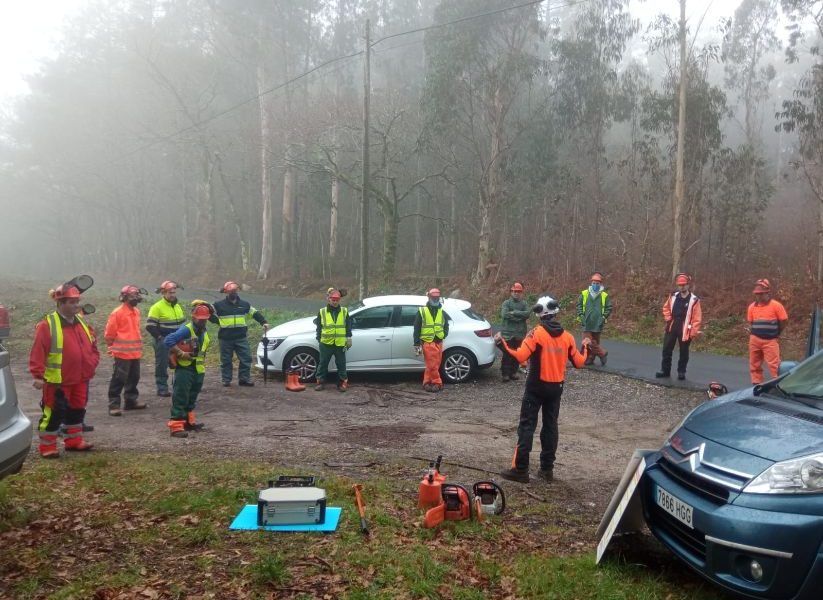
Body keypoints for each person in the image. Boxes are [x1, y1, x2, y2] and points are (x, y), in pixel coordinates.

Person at [494, 296, 589, 483]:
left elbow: (521, 355)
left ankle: (521, 470)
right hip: (556, 388)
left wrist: (501, 344)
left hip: (536, 387)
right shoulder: (568, 337)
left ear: (539, 314)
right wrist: (586, 347)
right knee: (550, 427)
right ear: (555, 312)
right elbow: (579, 362)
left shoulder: (536, 333)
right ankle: (547, 470)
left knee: (527, 426)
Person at [29, 283, 100, 458]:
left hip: (80, 378)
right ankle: (47, 447)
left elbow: (93, 344)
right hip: (57, 381)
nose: (76, 305)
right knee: (53, 413)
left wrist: (92, 362)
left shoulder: (81, 321)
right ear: (60, 303)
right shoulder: (47, 325)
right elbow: (38, 350)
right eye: (71, 302)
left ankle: (74, 441)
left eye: (77, 301)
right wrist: (37, 375)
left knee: (77, 410)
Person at [164, 302, 213, 438]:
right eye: (200, 319)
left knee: (191, 397)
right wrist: (180, 353)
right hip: (185, 369)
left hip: (198, 369)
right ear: (193, 317)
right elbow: (168, 340)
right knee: (181, 396)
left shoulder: (203, 330)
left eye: (204, 319)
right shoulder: (187, 329)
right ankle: (175, 427)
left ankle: (188, 422)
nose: (202, 321)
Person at [210, 281, 269, 387]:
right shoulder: (218, 305)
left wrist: (263, 322)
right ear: (226, 292)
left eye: (235, 291)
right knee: (226, 360)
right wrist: (217, 321)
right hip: (225, 337)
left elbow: (254, 313)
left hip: (241, 337)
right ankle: (226, 380)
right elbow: (207, 312)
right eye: (231, 291)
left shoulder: (244, 304)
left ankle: (244, 379)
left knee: (246, 358)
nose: (234, 293)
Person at [105, 285, 147, 416]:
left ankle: (130, 401)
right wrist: (113, 346)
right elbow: (109, 334)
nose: (136, 298)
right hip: (122, 353)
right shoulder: (117, 313)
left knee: (134, 377)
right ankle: (114, 404)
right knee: (119, 378)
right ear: (124, 297)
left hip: (134, 352)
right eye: (132, 295)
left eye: (136, 295)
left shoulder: (136, 312)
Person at [656, 273, 702, 381]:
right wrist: (668, 318)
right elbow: (666, 308)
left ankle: (681, 372)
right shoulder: (673, 296)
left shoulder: (694, 300)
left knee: (684, 352)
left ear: (688, 285)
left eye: (684, 285)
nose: (682, 287)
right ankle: (665, 371)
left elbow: (697, 318)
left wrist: (693, 332)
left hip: (685, 329)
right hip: (672, 325)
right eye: (680, 285)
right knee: (666, 349)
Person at [146, 280, 185, 397]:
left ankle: (179, 386)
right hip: (163, 341)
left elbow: (183, 324)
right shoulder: (156, 307)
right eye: (169, 293)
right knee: (162, 365)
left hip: (177, 340)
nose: (172, 295)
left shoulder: (178, 306)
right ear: (163, 293)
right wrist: (160, 338)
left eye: (173, 292)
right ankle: (162, 387)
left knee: (181, 363)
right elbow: (150, 326)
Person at [747, 278, 788, 384]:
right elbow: (751, 323)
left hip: (770, 340)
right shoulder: (752, 307)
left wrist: (777, 332)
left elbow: (783, 320)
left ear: (767, 293)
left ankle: (778, 384)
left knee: (775, 365)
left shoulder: (776, 306)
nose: (759, 296)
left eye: (761, 294)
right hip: (755, 339)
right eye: (757, 294)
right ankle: (756, 384)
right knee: (754, 364)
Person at [313, 288, 352, 392]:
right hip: (326, 343)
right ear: (328, 299)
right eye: (333, 300)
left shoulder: (344, 311)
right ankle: (320, 382)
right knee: (323, 363)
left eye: (337, 300)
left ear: (339, 300)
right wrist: (319, 339)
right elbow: (319, 327)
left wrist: (349, 337)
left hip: (340, 343)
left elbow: (348, 325)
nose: (335, 302)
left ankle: (342, 383)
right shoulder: (322, 312)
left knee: (341, 364)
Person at [413, 288, 450, 392]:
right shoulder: (422, 311)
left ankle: (426, 382)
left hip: (439, 342)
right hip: (428, 342)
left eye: (437, 297)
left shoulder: (441, 311)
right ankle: (438, 382)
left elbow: (446, 325)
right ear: (429, 297)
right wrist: (416, 344)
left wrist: (444, 335)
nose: (435, 299)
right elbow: (417, 328)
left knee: (433, 365)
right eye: (433, 297)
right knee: (433, 365)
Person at [576, 272, 612, 366]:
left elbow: (609, 308)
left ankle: (590, 359)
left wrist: (603, 317)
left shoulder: (604, 295)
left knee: (595, 341)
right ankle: (602, 353)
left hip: (598, 323)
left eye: (597, 283)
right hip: (586, 322)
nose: (595, 285)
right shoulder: (584, 294)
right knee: (587, 341)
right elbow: (579, 305)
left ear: (600, 284)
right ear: (591, 283)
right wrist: (581, 315)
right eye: (594, 283)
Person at [500, 282, 530, 381]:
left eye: (518, 291)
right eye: (514, 291)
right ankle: (505, 374)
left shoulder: (524, 303)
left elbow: (527, 314)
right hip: (508, 333)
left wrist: (515, 313)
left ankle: (513, 372)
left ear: (521, 292)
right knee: (507, 354)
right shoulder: (506, 303)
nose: (516, 293)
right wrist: (519, 317)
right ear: (511, 292)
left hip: (520, 333)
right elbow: (505, 315)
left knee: (517, 354)